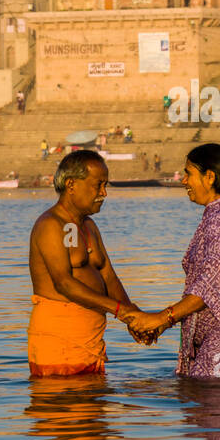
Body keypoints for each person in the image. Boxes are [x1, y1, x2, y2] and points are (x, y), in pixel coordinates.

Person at [130, 144, 220, 378]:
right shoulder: (217, 215)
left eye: (188, 174)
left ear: (209, 177)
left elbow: (209, 286)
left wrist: (161, 318)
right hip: (217, 332)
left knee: (216, 407)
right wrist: (163, 324)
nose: (184, 181)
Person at [27, 150, 150, 377]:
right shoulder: (51, 225)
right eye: (98, 185)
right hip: (59, 342)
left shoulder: (88, 226)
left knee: (93, 408)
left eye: (106, 185)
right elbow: (64, 283)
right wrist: (118, 310)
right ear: (71, 184)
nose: (103, 193)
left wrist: (134, 317)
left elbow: (108, 275)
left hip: (90, 339)